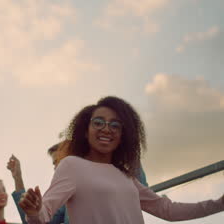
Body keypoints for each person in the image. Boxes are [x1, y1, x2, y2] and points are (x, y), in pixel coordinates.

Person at [19, 96, 224, 224]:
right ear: (85, 130)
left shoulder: (125, 176)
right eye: (98, 122)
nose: (106, 128)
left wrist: (218, 204)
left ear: (124, 135)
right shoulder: (72, 166)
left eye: (115, 125)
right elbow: (44, 215)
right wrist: (34, 211)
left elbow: (167, 210)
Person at [7, 143, 69, 224]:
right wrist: (17, 177)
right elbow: (33, 221)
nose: (55, 168)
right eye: (54, 164)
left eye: (58, 161)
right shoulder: (64, 199)